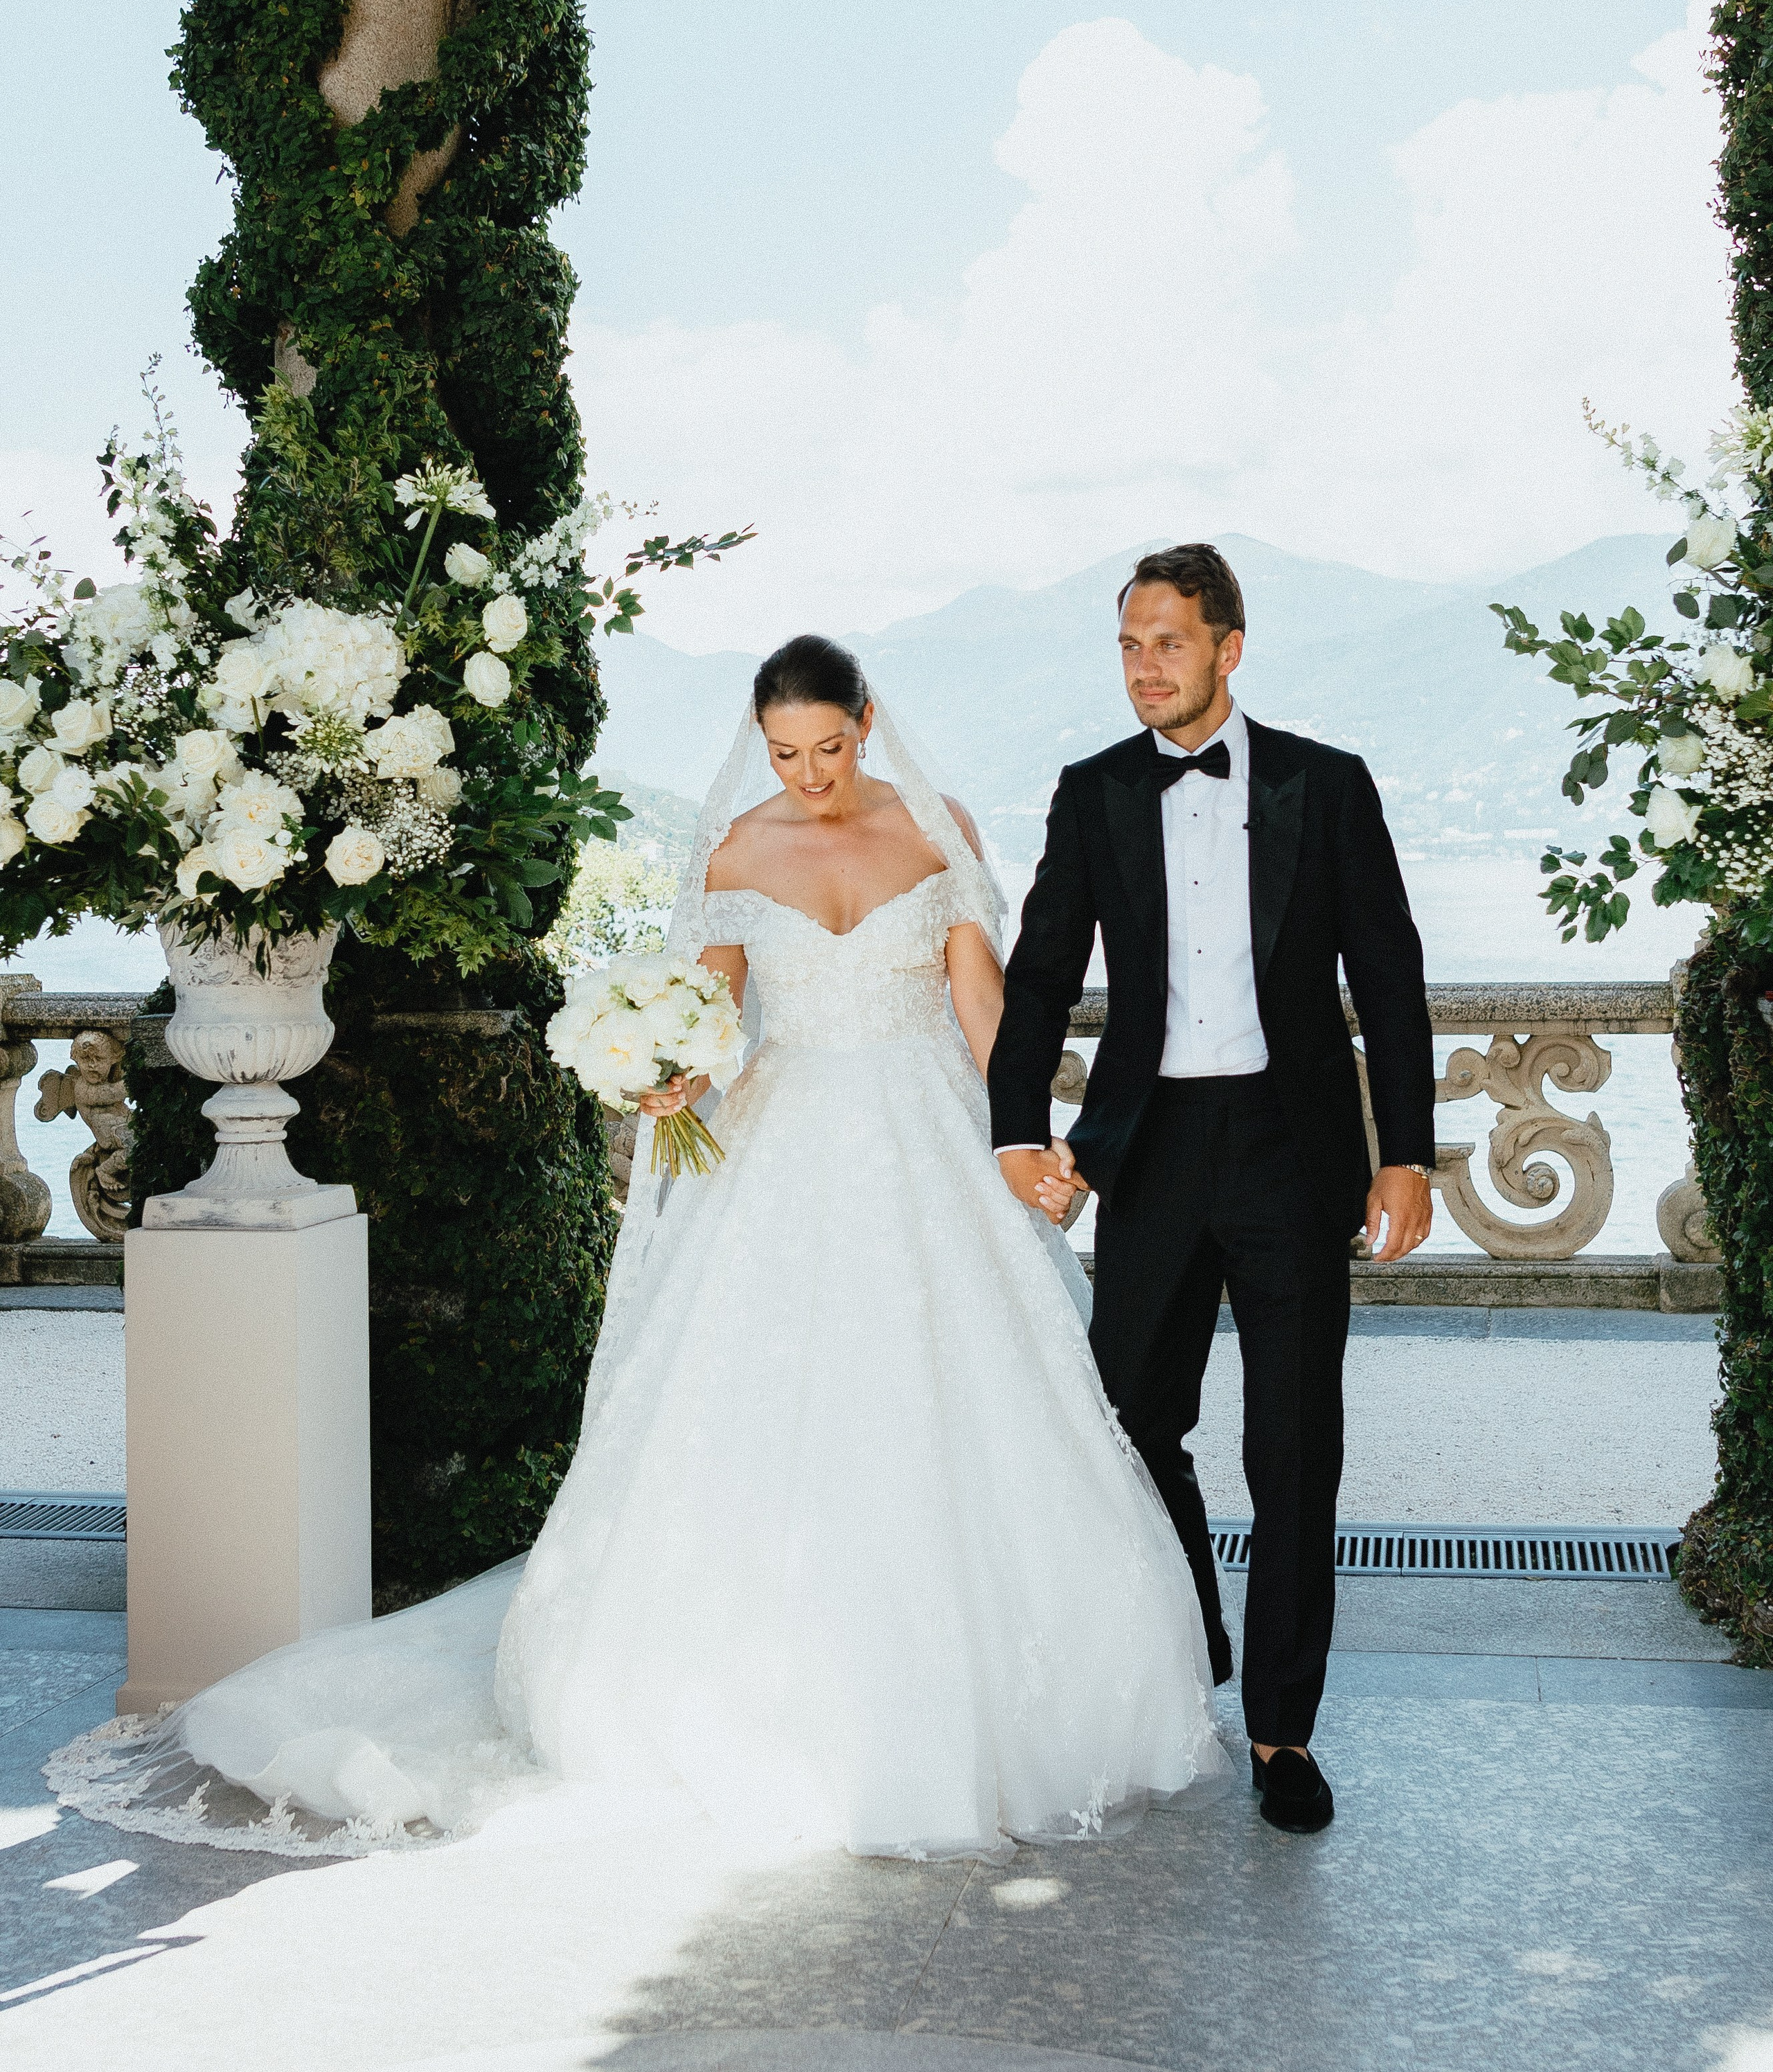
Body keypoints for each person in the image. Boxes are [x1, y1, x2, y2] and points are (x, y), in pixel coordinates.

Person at [52, 633, 1231, 1861]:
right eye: (786, 753)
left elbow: (986, 1011)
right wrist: (665, 1074)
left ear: (868, 723)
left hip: (927, 1134)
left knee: (956, 1399)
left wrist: (1023, 1142)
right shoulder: (737, 849)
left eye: (830, 748)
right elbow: (712, 1022)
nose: (811, 774)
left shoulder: (941, 830)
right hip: (783, 1144)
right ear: (760, 742)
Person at [989, 546, 1435, 1835]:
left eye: (1168, 642)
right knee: (1127, 1419)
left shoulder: (1324, 784)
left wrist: (1404, 1152)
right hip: (1152, 1145)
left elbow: (1391, 978)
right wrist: (1020, 1127)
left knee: (1295, 1446)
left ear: (1230, 646)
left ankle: (1284, 1732)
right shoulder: (1094, 794)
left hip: (1293, 1150)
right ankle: (1192, 1638)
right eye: (1128, 645)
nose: (1144, 668)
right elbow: (1038, 979)